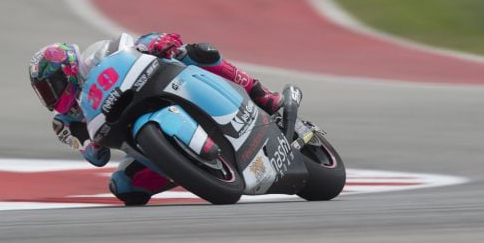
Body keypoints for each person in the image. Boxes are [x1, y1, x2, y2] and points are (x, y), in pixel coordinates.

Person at [29, 32, 294, 205]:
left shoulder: (94, 60)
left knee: (195, 51)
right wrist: (92, 144)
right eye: (44, 92)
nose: (50, 96)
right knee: (124, 187)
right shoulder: (63, 122)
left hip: (152, 85)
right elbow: (96, 158)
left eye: (51, 85)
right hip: (133, 137)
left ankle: (260, 93)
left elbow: (130, 46)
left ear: (68, 70)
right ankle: (186, 165)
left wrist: (155, 43)